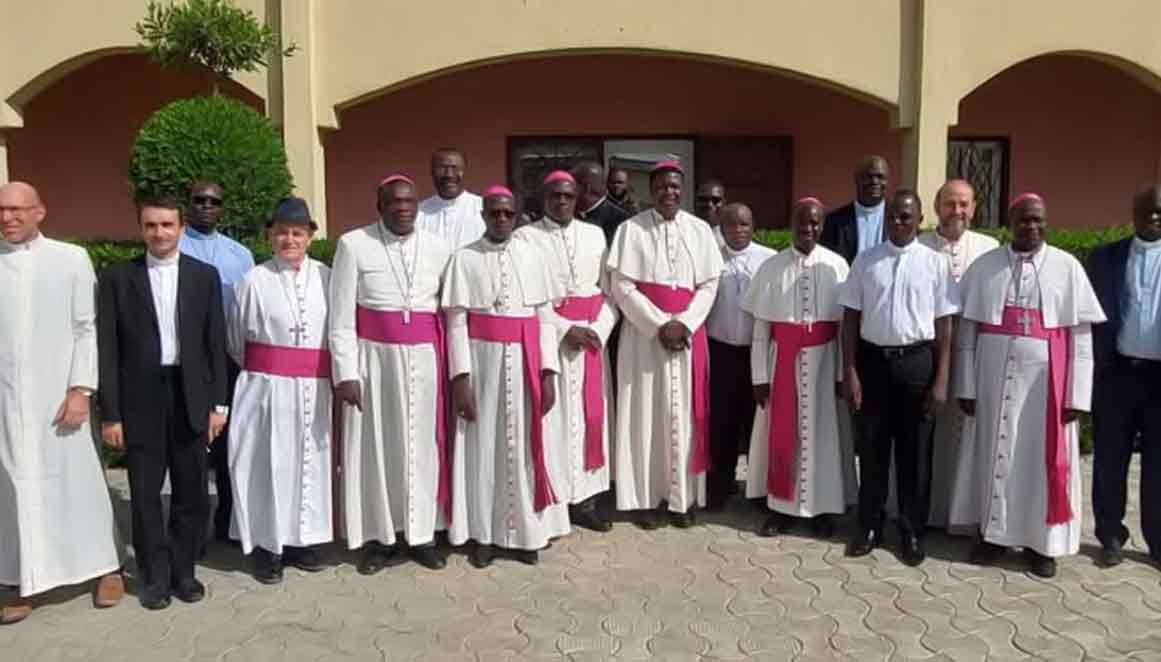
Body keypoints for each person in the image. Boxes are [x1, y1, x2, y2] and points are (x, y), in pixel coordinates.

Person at [950, 193, 1105, 578]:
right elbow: (966, 333)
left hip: (1046, 386)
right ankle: (993, 535)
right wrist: (966, 385)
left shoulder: (1067, 267)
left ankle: (1042, 544)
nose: (1031, 227)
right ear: (1010, 222)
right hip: (991, 376)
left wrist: (1076, 395)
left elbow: (1081, 338)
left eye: (1038, 220)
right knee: (993, 451)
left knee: (1039, 460)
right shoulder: (985, 267)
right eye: (1023, 221)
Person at [0, 182, 124, 624]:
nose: (8, 217)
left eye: (17, 210)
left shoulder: (70, 259)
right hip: (7, 404)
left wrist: (81, 390)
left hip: (60, 399)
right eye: (1, 210)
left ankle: (105, 567)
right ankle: (22, 578)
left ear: (40, 212)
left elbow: (85, 328)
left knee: (79, 483)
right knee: (13, 488)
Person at [98, 196, 229, 609]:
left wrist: (218, 406)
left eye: (167, 225)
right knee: (145, 493)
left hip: (189, 394)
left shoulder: (204, 277)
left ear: (180, 227)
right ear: (141, 229)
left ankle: (184, 571)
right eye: (151, 225)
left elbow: (215, 345)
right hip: (141, 397)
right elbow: (108, 350)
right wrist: (112, 413)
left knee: (191, 491)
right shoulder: (118, 278)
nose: (159, 233)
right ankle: (154, 576)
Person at [330, 175, 454, 573]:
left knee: (422, 447)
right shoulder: (353, 244)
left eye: (410, 202)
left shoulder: (439, 248)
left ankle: (422, 535)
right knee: (378, 449)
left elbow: (449, 312)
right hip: (374, 360)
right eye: (394, 203)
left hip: (424, 359)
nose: (404, 209)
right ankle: (381, 538)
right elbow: (341, 317)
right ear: (379, 205)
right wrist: (346, 372)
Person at [840, 189, 959, 567]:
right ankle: (870, 526)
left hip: (917, 365)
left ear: (920, 219)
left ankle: (911, 530)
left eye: (906, 217)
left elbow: (945, 326)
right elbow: (850, 321)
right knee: (872, 449)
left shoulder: (935, 263)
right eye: (892, 216)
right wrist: (850, 370)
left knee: (915, 455)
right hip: (873, 363)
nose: (897, 222)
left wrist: (941, 379)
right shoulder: (865, 260)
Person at [443, 186, 561, 567]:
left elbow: (544, 318)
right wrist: (460, 378)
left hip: (525, 360)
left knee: (523, 447)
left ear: (516, 215)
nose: (501, 220)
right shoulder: (464, 258)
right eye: (494, 213)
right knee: (483, 447)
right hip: (482, 362)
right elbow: (456, 322)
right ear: (483, 216)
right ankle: (484, 534)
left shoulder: (534, 254)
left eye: (507, 214)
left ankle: (527, 533)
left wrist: (548, 371)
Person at [607, 160, 724, 529]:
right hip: (643, 339)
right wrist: (659, 325)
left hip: (687, 337)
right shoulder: (630, 230)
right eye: (662, 186)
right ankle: (645, 498)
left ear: (682, 190)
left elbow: (709, 285)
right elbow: (622, 287)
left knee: (685, 417)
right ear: (651, 188)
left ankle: (683, 498)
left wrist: (685, 323)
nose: (669, 193)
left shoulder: (700, 230)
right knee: (644, 417)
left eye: (675, 187)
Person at [227, 197, 333, 584]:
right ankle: (269, 547)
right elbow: (237, 341)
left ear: (309, 237)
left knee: (310, 462)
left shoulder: (327, 277)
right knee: (269, 465)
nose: (290, 240)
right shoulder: (253, 281)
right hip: (267, 389)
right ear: (270, 236)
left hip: (315, 389)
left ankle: (303, 540)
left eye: (298, 233)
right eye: (283, 233)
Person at [515, 171, 618, 532]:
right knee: (554, 422)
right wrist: (563, 329)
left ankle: (586, 502)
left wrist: (597, 330)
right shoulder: (525, 237)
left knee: (591, 419)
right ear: (543, 198)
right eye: (555, 196)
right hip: (551, 344)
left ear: (578, 199)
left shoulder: (594, 236)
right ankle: (555, 500)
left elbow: (610, 294)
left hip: (590, 343)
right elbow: (528, 300)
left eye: (568, 196)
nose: (561, 202)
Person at [743, 197, 850, 538]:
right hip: (782, 363)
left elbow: (844, 327)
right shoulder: (771, 268)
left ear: (822, 226)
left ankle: (822, 509)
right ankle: (781, 507)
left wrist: (840, 375)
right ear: (792, 224)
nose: (809, 229)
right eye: (802, 223)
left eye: (815, 223)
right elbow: (760, 330)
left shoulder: (837, 266)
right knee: (781, 434)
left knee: (822, 435)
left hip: (824, 363)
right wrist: (759, 377)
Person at [911, 179, 999, 528]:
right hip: (926, 350)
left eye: (964, 204)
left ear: (974, 208)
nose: (957, 211)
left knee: (966, 432)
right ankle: (920, 510)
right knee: (924, 429)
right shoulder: (917, 246)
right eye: (950, 203)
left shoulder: (989, 249)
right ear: (936, 206)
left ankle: (960, 514)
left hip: (975, 352)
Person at [1089, 184, 1161, 568]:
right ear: (1133, 213)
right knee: (1110, 459)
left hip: (1159, 381)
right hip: (1117, 374)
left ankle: (1158, 539)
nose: (1153, 218)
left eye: (1159, 212)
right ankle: (1110, 534)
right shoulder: (1105, 259)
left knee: (1157, 464)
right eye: (1146, 212)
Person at [179, 180, 255, 544]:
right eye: (199, 200)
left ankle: (227, 522)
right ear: (187, 204)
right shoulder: (172, 246)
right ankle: (190, 528)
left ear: (222, 207)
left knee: (229, 446)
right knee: (190, 445)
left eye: (214, 201)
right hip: (184, 362)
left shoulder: (240, 255)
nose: (206, 206)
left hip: (228, 360)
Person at [704, 203, 775, 510]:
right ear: (721, 227)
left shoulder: (768, 260)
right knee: (722, 422)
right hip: (719, 350)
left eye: (744, 225)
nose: (738, 230)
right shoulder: (709, 256)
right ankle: (721, 483)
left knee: (756, 420)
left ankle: (759, 488)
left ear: (753, 226)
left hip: (755, 352)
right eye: (731, 225)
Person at [820, 156, 889, 264]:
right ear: (857, 179)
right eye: (869, 176)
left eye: (880, 177)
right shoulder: (834, 221)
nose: (875, 181)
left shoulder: (898, 219)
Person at [417, 148, 485, 249]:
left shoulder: (482, 207)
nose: (449, 174)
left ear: (464, 171)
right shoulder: (419, 212)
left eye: (455, 168)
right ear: (432, 172)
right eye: (442, 167)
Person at [573, 161, 631, 246]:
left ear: (586, 188)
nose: (568, 189)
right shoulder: (570, 215)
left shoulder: (621, 221)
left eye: (572, 184)